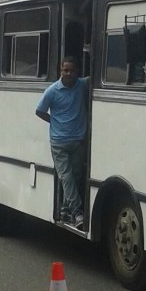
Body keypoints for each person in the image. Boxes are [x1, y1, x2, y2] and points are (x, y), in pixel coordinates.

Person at [35, 56, 88, 229]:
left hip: (78, 140)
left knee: (76, 175)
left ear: (77, 72)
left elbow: (96, 78)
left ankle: (65, 209)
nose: (69, 73)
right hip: (58, 142)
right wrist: (54, 121)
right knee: (66, 177)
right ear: (60, 71)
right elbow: (39, 111)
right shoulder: (52, 91)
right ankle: (77, 212)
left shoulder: (82, 85)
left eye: (72, 70)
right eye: (65, 70)